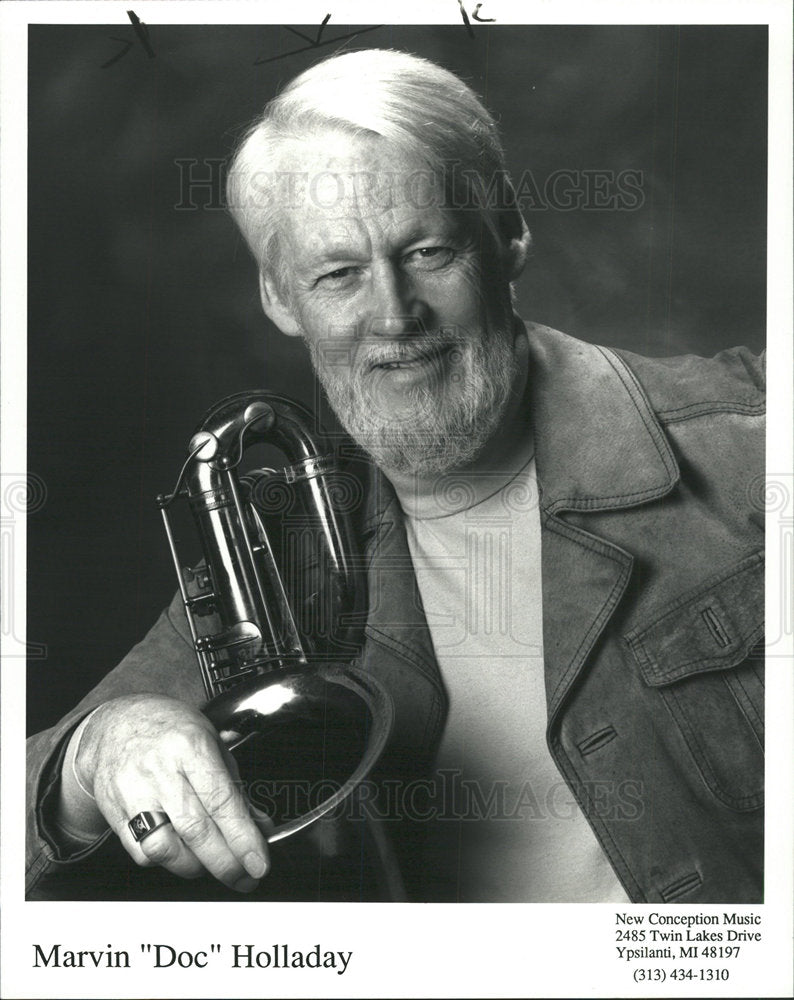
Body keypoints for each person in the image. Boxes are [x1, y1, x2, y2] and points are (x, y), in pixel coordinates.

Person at [26, 48, 765, 903]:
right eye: (338, 274)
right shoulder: (277, 565)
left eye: (427, 252)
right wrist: (103, 749)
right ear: (280, 298)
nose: (392, 316)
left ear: (508, 233)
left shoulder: (752, 442)